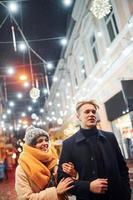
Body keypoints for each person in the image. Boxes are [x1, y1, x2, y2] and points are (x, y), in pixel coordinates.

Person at [57, 100, 131, 200]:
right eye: (87, 112)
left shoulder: (110, 137)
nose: (91, 114)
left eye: (93, 111)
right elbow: (62, 180)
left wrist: (126, 193)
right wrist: (88, 186)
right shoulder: (69, 144)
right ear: (78, 116)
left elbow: (122, 168)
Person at [15, 125, 74, 200]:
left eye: (46, 140)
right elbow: (25, 198)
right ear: (31, 146)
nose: (45, 143)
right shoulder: (22, 169)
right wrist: (55, 192)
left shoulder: (55, 161)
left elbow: (68, 189)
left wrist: (73, 174)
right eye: (40, 141)